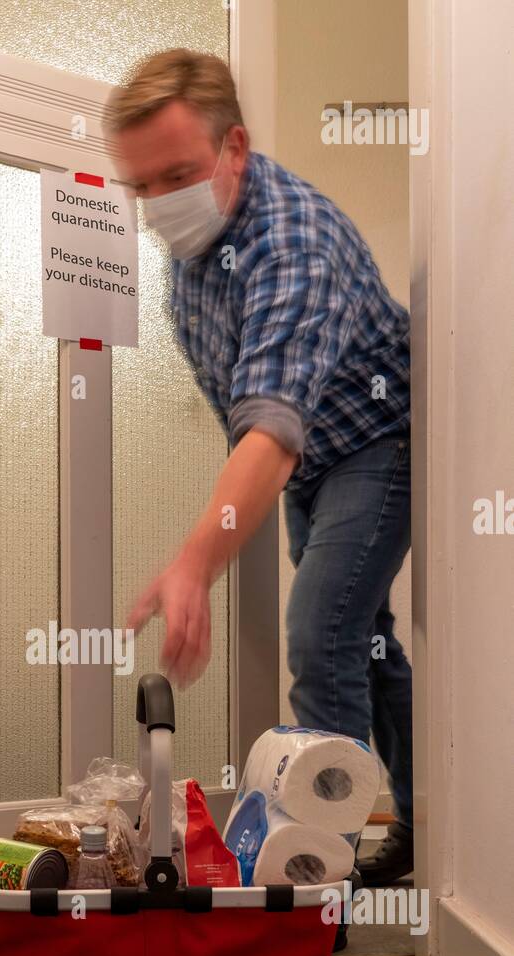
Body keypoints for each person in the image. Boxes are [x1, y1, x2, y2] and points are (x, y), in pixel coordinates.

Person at [103, 48, 413, 889]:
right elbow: (246, 407)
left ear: (235, 146)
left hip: (374, 446)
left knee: (319, 637)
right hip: (311, 465)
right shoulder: (200, 240)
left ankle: (321, 883)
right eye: (142, 187)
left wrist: (193, 565)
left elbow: (271, 428)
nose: (161, 202)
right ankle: (418, 828)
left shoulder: (290, 242)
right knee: (368, 645)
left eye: (179, 173)